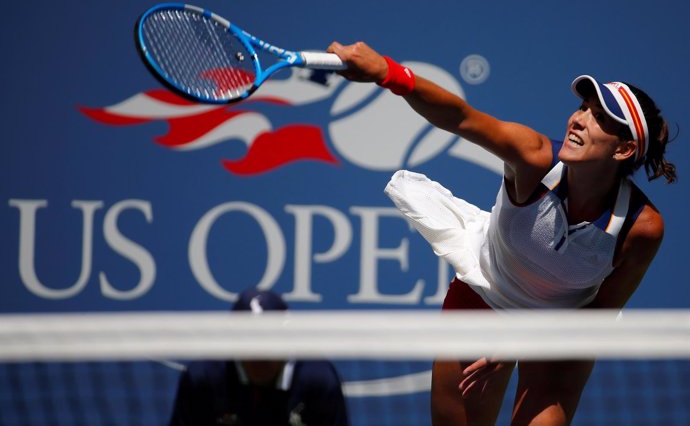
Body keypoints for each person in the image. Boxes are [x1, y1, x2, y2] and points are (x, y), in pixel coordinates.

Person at [326, 41, 676, 426]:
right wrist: (386, 72)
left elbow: (600, 314)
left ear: (624, 150)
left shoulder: (641, 227)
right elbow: (461, 117)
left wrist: (523, 341)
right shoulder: (532, 157)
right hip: (485, 295)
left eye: (599, 118)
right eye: (582, 108)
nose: (578, 119)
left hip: (561, 331)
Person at [169, 288, 350, 426]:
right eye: (250, 343)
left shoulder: (319, 380)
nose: (260, 356)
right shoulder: (203, 378)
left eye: (269, 342)